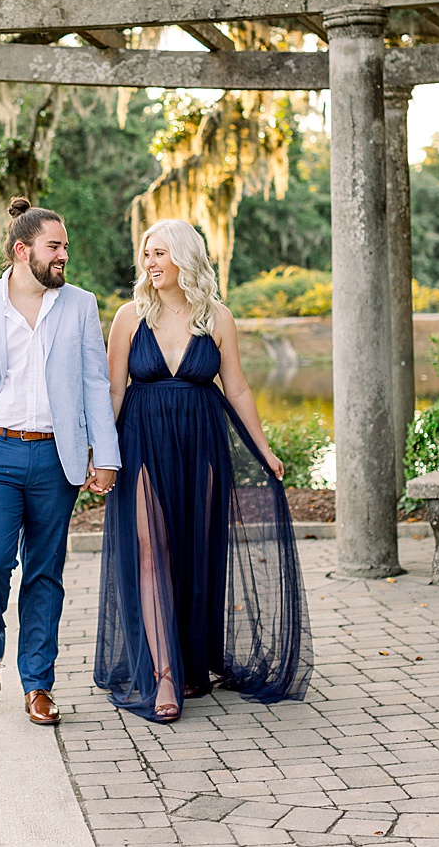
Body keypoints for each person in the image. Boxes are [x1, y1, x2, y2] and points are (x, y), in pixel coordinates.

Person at [94, 219, 313, 723]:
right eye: (146, 254)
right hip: (143, 440)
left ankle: (192, 662)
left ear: (185, 259)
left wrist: (265, 449)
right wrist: (101, 454)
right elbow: (113, 390)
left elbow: (236, 388)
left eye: (160, 254)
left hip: (202, 440)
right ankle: (163, 674)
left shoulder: (216, 317)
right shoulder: (129, 317)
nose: (150, 263)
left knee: (196, 552)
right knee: (152, 554)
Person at [0, 197, 120, 726]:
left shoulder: (80, 305)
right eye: (55, 246)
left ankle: (38, 684)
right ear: (23, 251)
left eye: (65, 246)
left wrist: (104, 454)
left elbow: (94, 384)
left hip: (54, 458)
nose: (64, 255)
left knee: (46, 573)